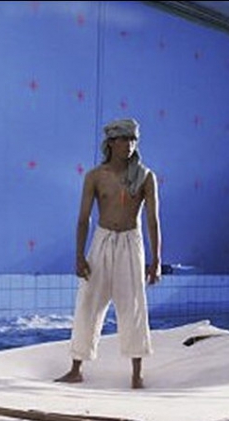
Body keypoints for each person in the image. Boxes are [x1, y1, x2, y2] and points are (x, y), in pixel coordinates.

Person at [55, 117, 162, 389]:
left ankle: (136, 374)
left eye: (133, 139)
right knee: (88, 302)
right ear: (111, 142)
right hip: (102, 241)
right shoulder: (95, 176)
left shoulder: (145, 177)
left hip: (131, 242)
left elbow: (152, 221)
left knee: (133, 305)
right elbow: (83, 219)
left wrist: (157, 260)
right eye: (124, 139)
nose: (129, 144)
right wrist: (79, 255)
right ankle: (76, 368)